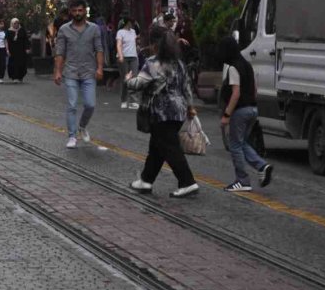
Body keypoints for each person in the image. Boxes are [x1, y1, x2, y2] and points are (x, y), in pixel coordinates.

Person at [126, 27, 199, 198]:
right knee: (157, 147)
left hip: (160, 112)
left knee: (170, 148)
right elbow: (187, 87)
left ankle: (187, 182)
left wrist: (128, 80)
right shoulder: (178, 62)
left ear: (153, 44)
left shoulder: (153, 63)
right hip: (178, 111)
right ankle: (146, 180)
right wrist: (190, 107)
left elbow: (139, 83)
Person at [217, 35, 273, 192]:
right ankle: (262, 166)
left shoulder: (234, 67)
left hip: (240, 111)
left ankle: (242, 180)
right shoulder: (247, 65)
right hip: (252, 109)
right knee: (241, 142)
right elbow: (254, 89)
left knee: (235, 145)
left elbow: (235, 93)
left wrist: (227, 115)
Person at [54, 0, 104, 149]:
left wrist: (100, 68)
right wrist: (57, 71)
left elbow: (99, 49)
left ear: (85, 11)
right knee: (72, 105)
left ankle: (82, 126)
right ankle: (71, 136)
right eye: (74, 11)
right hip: (71, 72)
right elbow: (60, 52)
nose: (77, 13)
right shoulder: (64, 29)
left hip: (89, 72)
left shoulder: (94, 28)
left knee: (90, 104)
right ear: (70, 12)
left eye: (80, 10)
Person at [116, 17, 140, 109]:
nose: (132, 24)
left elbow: (135, 42)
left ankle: (133, 101)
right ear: (127, 23)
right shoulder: (120, 32)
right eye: (131, 22)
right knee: (125, 79)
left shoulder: (133, 32)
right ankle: (124, 100)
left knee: (134, 78)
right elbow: (118, 44)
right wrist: (120, 55)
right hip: (123, 57)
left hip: (133, 56)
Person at [6, 18, 30, 83]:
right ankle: (14, 77)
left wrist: (27, 48)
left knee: (22, 64)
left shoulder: (22, 30)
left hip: (21, 50)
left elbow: (26, 40)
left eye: (17, 23)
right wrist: (7, 50)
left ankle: (20, 77)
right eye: (15, 23)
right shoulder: (9, 31)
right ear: (12, 24)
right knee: (13, 64)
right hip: (13, 51)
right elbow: (7, 41)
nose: (16, 25)